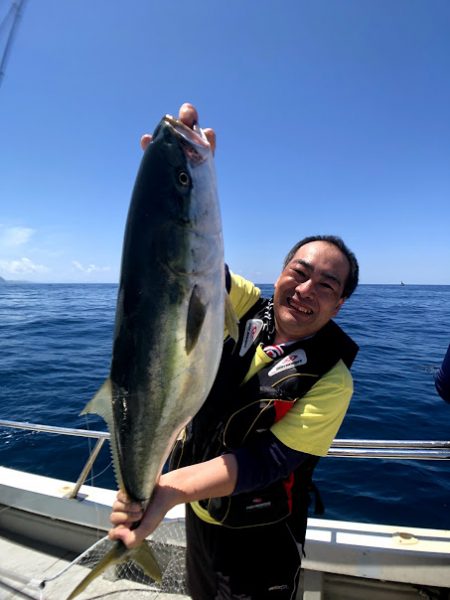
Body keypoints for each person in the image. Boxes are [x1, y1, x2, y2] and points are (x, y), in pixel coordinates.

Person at [109, 103, 360, 599]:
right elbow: (187, 270)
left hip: (261, 542)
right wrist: (170, 192)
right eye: (299, 271)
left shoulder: (332, 380)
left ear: (341, 302)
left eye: (326, 285)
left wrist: (165, 493)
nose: (306, 289)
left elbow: (267, 461)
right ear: (281, 271)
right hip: (202, 518)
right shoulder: (246, 307)